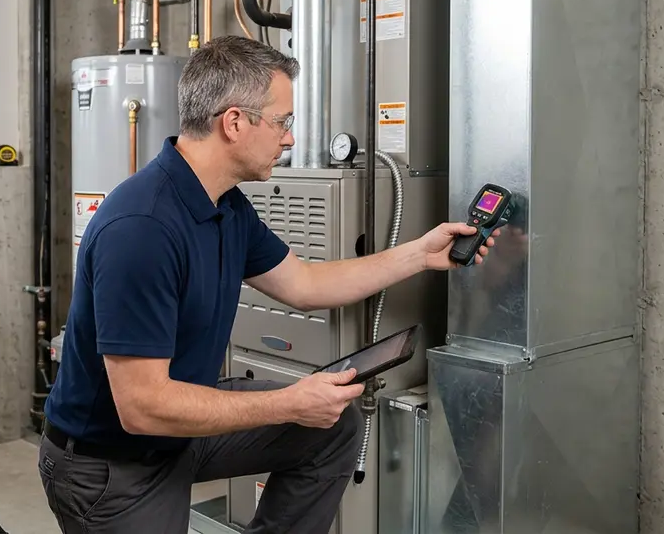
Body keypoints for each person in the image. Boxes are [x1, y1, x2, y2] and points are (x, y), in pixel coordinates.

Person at [39, 35, 497, 534]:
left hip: (176, 434)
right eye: (282, 122)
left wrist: (419, 255)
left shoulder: (225, 204)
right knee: (303, 412)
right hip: (111, 465)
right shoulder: (142, 228)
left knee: (331, 424)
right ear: (234, 123)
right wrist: (288, 402)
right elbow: (143, 408)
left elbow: (303, 283)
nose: (290, 139)